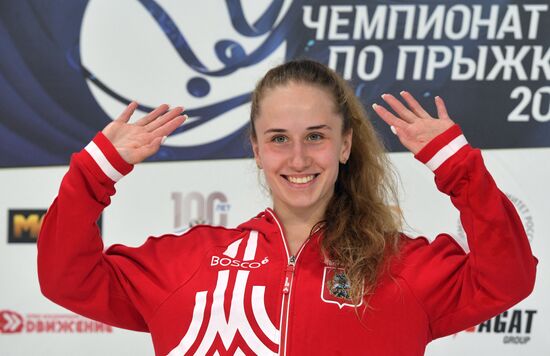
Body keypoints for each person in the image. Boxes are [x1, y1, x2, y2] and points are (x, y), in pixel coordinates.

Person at [37, 59, 537, 355]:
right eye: (279, 138)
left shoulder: (400, 268)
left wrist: (458, 166)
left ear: (344, 145)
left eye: (316, 137)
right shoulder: (186, 266)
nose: (298, 158)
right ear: (256, 149)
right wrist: (94, 172)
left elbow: (506, 279)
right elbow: (67, 279)